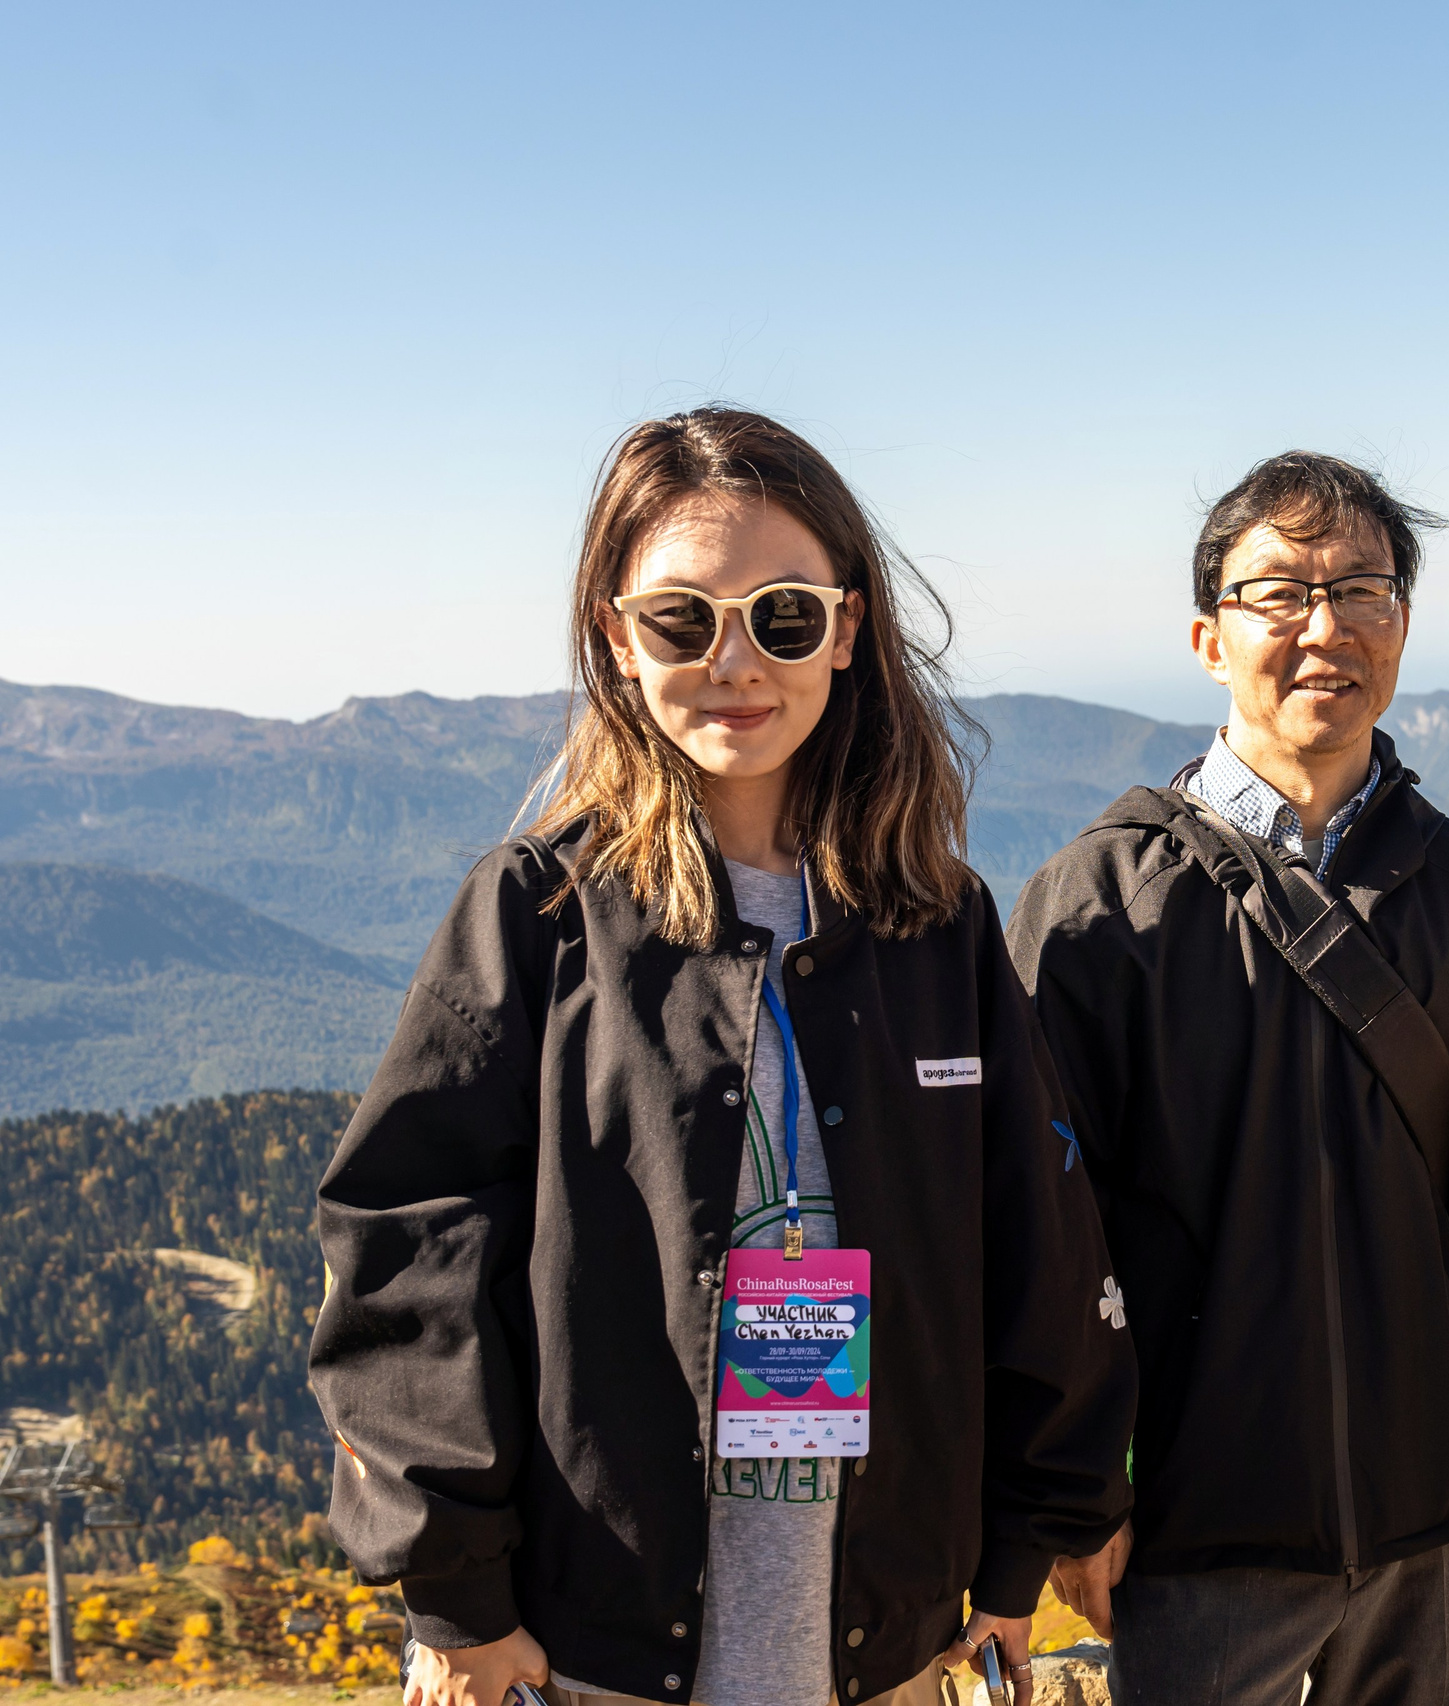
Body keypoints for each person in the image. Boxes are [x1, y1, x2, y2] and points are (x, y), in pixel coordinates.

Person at [308, 408, 1137, 1706]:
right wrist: (456, 1592)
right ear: (615, 635)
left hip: (886, 1649)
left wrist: (1020, 1550)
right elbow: (411, 1253)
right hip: (591, 1659)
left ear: (847, 630)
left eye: (783, 616)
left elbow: (1038, 1248)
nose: (733, 660)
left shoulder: (937, 926)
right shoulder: (536, 916)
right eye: (681, 619)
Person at [1005, 452, 1449, 1706]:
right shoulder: (1098, 904)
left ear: (1402, 625)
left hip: (1432, 1513)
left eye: (1361, 590)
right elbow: (1044, 1228)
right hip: (1201, 1526)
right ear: (1209, 639)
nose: (1325, 628)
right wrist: (1075, 1488)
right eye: (1280, 594)